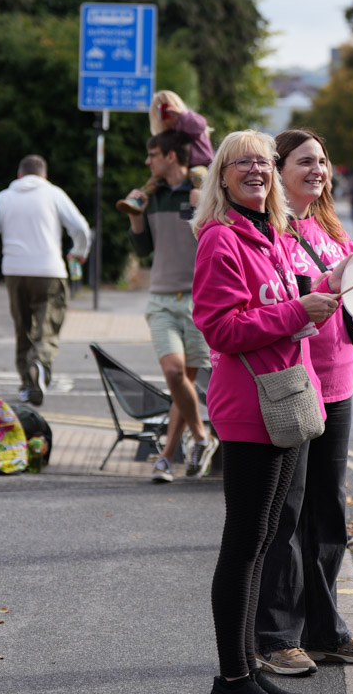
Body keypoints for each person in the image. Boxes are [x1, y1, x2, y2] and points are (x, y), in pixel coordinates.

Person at [190, 130, 347, 694]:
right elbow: (222, 329)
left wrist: (326, 288)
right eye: (242, 162)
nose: (255, 169)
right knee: (243, 545)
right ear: (223, 176)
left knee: (260, 545)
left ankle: (248, 669)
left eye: (263, 161)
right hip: (248, 406)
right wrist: (297, 312)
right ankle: (233, 678)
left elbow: (287, 303)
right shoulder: (220, 240)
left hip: (283, 399)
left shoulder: (267, 233)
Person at [255, 129, 353, 676]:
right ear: (278, 169)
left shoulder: (331, 228)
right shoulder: (269, 231)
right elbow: (282, 302)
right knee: (287, 515)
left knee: (328, 513)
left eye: (322, 161)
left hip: (339, 381)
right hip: (294, 384)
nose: (317, 170)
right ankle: (277, 636)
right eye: (305, 161)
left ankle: (324, 631)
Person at [125, 130, 219, 482]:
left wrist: (202, 208)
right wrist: (136, 217)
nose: (147, 161)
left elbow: (220, 239)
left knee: (185, 382)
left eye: (153, 154)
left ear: (171, 156)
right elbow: (142, 251)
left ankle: (166, 457)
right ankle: (201, 438)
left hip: (199, 299)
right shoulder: (152, 196)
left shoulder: (205, 193)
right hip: (161, 299)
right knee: (174, 374)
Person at [0, 154, 91, 406]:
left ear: (19, 175)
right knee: (48, 326)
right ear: (44, 175)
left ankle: (27, 385)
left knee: (22, 327)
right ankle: (38, 363)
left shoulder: (4, 197)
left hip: (14, 271)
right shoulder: (54, 193)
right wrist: (79, 251)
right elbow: (80, 227)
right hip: (49, 271)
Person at [149, 88, 214, 187]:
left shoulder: (188, 121)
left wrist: (181, 114)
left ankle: (200, 195)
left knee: (197, 175)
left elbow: (199, 125)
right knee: (153, 182)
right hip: (182, 169)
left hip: (201, 166)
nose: (166, 112)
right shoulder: (167, 134)